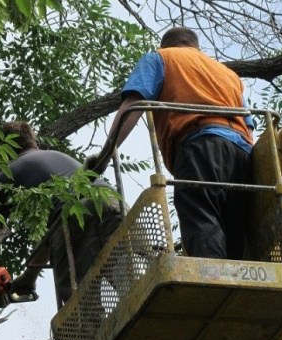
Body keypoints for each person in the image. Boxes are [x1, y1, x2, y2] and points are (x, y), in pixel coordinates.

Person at [105, 26, 254, 260]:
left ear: (167, 45)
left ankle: (211, 284)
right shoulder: (228, 74)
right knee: (233, 225)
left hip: (201, 144)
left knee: (199, 213)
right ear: (196, 47)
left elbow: (133, 105)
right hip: (242, 152)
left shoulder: (161, 57)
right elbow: (250, 123)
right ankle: (237, 287)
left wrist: (106, 153)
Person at [0, 121, 124, 306]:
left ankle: (97, 334)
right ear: (33, 141)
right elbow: (49, 237)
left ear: (4, 148)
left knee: (81, 308)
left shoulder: (7, 175)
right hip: (114, 203)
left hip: (75, 218)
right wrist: (29, 275)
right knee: (131, 278)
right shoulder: (59, 157)